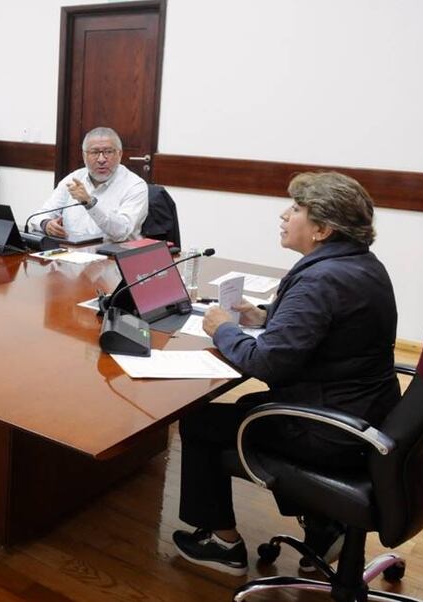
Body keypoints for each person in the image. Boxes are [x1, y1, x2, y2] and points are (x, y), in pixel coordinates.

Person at [172, 172, 399, 577]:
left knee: (201, 420)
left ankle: (222, 543)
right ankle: (324, 525)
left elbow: (266, 364)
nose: (283, 215)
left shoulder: (320, 280)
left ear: (322, 229)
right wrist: (260, 317)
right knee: (248, 406)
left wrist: (223, 329)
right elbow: (324, 332)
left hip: (329, 428)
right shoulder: (360, 264)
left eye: (295, 209)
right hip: (365, 413)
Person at [28, 127, 147, 242]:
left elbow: (122, 232)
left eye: (108, 152)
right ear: (84, 156)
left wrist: (90, 203)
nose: (101, 159)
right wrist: (46, 224)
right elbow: (37, 216)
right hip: (70, 252)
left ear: (120, 154)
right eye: (94, 152)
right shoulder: (73, 179)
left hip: (112, 255)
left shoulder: (135, 185)